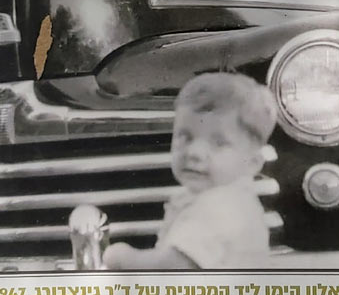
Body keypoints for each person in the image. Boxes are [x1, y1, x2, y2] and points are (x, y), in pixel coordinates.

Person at [102, 72, 277, 270]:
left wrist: (122, 258)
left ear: (252, 163)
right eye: (186, 137)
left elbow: (174, 266)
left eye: (218, 143)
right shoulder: (228, 198)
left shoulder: (221, 208)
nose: (194, 153)